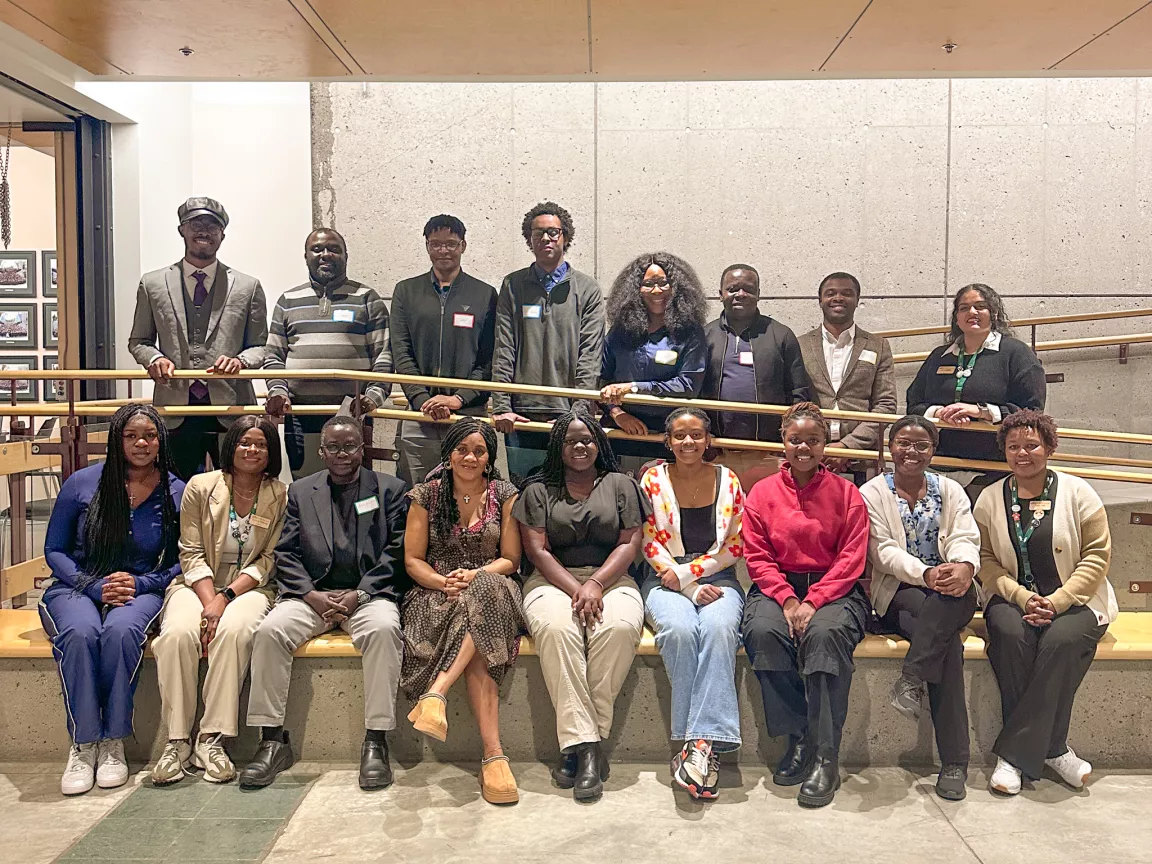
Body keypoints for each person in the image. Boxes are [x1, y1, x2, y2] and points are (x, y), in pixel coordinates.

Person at [240, 415, 409, 791]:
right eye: (334, 447)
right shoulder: (300, 491)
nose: (342, 454)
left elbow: (397, 552)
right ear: (321, 451)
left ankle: (376, 741)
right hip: (313, 594)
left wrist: (360, 593)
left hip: (367, 595)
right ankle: (271, 741)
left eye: (350, 446)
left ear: (361, 449)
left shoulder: (390, 490)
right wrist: (311, 595)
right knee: (269, 631)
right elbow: (286, 553)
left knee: (384, 630)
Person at [39, 404, 184, 796]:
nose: (141, 443)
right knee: (82, 633)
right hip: (77, 585)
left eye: (150, 436)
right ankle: (84, 744)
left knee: (120, 633)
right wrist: (91, 585)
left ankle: (113, 742)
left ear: (160, 441)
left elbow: (181, 561)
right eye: (131, 435)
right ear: (116, 438)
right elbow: (54, 549)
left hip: (141, 589)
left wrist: (141, 583)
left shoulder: (175, 491)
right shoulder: (82, 483)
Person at [973, 410, 1116, 796]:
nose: (1023, 453)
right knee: (1009, 634)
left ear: (1049, 447)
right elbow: (984, 560)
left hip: (1077, 600)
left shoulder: (1078, 492)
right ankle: (1053, 749)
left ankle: (1014, 756)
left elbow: (1097, 556)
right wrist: (1021, 596)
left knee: (1059, 641)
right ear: (1003, 451)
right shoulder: (989, 498)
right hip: (1011, 596)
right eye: (1013, 446)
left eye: (1032, 445)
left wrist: (1056, 601)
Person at [740, 402, 869, 808]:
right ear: (784, 442)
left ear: (824, 444)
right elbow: (757, 557)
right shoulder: (762, 493)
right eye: (795, 440)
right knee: (762, 631)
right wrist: (788, 598)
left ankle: (825, 756)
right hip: (778, 589)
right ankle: (798, 738)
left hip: (834, 590)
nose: (803, 447)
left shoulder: (846, 493)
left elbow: (852, 558)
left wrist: (812, 601)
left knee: (826, 635)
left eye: (812, 440)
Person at [514, 408, 645, 801]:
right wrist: (578, 588)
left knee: (618, 628)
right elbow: (537, 551)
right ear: (558, 446)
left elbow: (629, 542)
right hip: (552, 580)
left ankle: (578, 744)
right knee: (557, 630)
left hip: (612, 577)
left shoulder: (621, 484)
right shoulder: (538, 489)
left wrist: (596, 583)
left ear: (599, 443)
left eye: (587, 439)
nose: (580, 446)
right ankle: (590, 749)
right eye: (571, 440)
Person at [151, 416, 288, 786]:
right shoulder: (201, 486)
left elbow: (269, 558)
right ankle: (177, 740)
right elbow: (191, 551)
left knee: (237, 631)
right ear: (232, 446)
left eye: (260, 444)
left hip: (249, 588)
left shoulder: (279, 494)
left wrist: (226, 599)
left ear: (270, 451)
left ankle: (211, 739)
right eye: (245, 442)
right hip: (197, 584)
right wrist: (210, 602)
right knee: (178, 634)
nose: (252, 450)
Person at [402, 419, 524, 805]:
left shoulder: (505, 494)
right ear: (449, 453)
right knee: (483, 635)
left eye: (480, 451)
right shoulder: (426, 494)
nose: (470, 457)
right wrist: (443, 583)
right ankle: (493, 756)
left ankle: (436, 693)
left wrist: (474, 575)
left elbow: (510, 559)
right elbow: (412, 560)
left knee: (487, 592)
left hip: (493, 586)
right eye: (463, 450)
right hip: (437, 592)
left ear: (489, 458)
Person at [860, 415, 980, 800]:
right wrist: (926, 574)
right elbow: (882, 552)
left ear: (934, 448)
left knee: (949, 608)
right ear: (890, 447)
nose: (912, 452)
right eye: (903, 444)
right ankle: (955, 763)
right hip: (901, 588)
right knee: (949, 648)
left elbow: (964, 534)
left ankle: (911, 678)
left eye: (921, 445)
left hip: (955, 585)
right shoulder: (873, 493)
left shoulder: (951, 490)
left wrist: (962, 566)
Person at [638, 408, 745, 800]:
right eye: (679, 435)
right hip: (663, 577)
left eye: (696, 435)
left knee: (718, 629)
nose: (688, 442)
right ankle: (701, 748)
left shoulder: (728, 479)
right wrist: (684, 587)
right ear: (667, 441)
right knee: (681, 630)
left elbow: (735, 544)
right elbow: (648, 541)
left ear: (708, 440)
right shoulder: (652, 479)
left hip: (718, 576)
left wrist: (692, 577)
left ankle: (694, 748)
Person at [128, 197, 268, 480]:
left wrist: (240, 361)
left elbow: (262, 346)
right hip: (174, 408)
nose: (204, 231)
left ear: (222, 235)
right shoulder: (153, 283)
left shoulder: (247, 286)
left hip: (232, 408)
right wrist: (155, 359)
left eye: (212, 226)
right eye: (196, 224)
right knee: (174, 489)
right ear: (182, 229)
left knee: (236, 486)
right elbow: (139, 340)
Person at [264, 228, 391, 478]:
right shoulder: (288, 300)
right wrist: (278, 391)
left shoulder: (366, 298)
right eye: (317, 249)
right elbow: (273, 357)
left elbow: (384, 356)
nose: (325, 254)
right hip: (300, 413)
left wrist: (373, 397)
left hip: (353, 412)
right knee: (308, 483)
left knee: (355, 483)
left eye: (334, 249)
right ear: (306, 256)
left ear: (346, 256)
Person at [491, 202, 605, 480]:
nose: (545, 238)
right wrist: (502, 406)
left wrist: (577, 413)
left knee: (570, 491)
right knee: (525, 489)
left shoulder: (587, 289)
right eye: (538, 232)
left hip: (569, 413)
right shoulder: (513, 285)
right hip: (522, 415)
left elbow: (590, 356)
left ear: (565, 236)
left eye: (553, 232)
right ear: (529, 239)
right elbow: (504, 347)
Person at [389, 215, 498, 485]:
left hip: (469, 414)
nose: (443, 250)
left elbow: (489, 359)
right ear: (427, 247)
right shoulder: (405, 291)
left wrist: (459, 399)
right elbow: (401, 352)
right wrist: (421, 399)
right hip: (419, 415)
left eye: (450, 243)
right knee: (419, 492)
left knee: (469, 490)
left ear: (463, 245)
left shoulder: (484, 294)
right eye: (435, 244)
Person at [906, 283, 1045, 467]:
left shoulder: (1017, 353)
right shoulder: (939, 356)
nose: (972, 312)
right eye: (964, 308)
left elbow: (1032, 410)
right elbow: (913, 404)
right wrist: (940, 412)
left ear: (994, 313)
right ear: (957, 318)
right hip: (939, 463)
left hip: (993, 466)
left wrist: (982, 411)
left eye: (980, 307)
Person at [701, 264, 810, 491]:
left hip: (768, 455)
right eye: (733, 289)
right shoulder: (704, 336)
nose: (740, 294)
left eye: (748, 289)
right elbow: (692, 390)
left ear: (758, 294)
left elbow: (799, 393)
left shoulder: (781, 335)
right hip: (716, 453)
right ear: (720, 294)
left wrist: (785, 444)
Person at [599, 252, 708, 476]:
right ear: (634, 290)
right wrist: (618, 413)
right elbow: (601, 378)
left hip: (668, 436)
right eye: (647, 284)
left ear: (677, 287)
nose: (657, 291)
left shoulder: (690, 333)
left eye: (663, 283)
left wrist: (636, 387)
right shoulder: (620, 331)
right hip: (620, 432)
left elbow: (688, 385)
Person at [797, 272, 897, 474]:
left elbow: (886, 405)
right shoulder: (799, 345)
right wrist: (816, 445)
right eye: (831, 293)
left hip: (862, 458)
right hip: (810, 456)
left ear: (857, 300)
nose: (838, 298)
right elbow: (793, 401)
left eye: (847, 293)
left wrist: (847, 446)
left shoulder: (878, 346)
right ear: (820, 301)